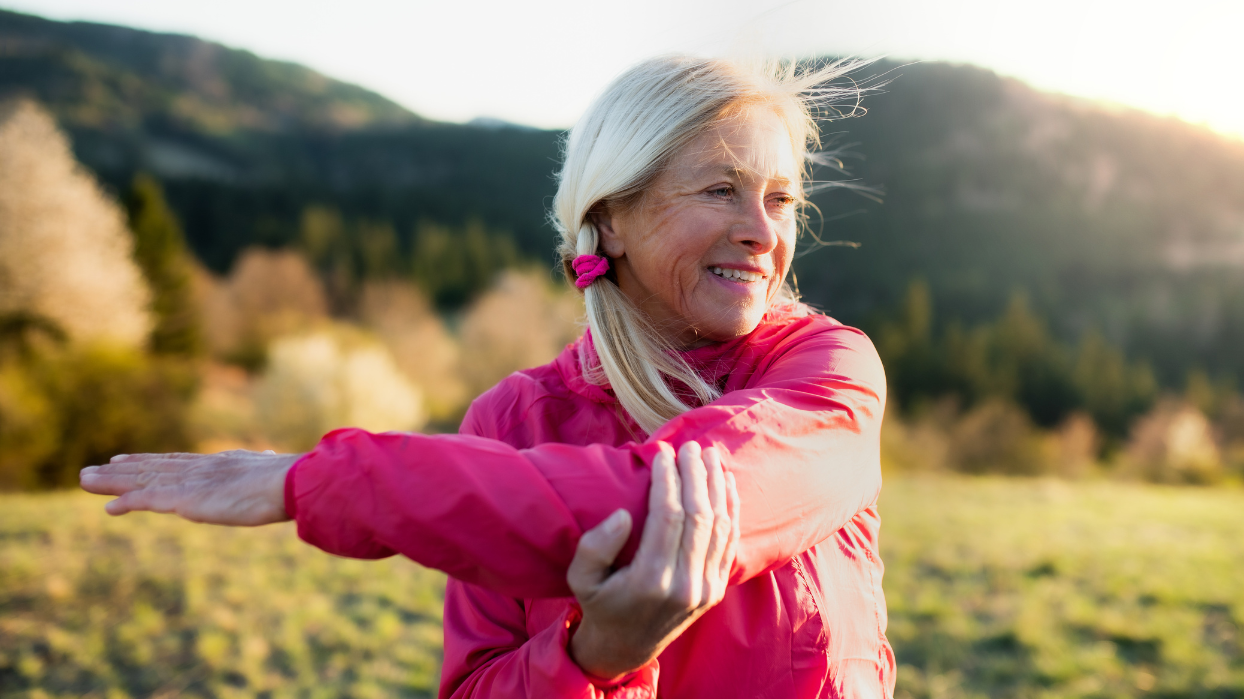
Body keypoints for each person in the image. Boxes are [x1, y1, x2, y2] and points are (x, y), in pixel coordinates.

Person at [81, 55, 895, 698]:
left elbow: (669, 502)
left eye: (781, 199)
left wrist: (322, 481)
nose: (762, 232)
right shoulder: (510, 421)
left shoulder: (828, 368)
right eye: (721, 189)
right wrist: (598, 655)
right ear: (610, 217)